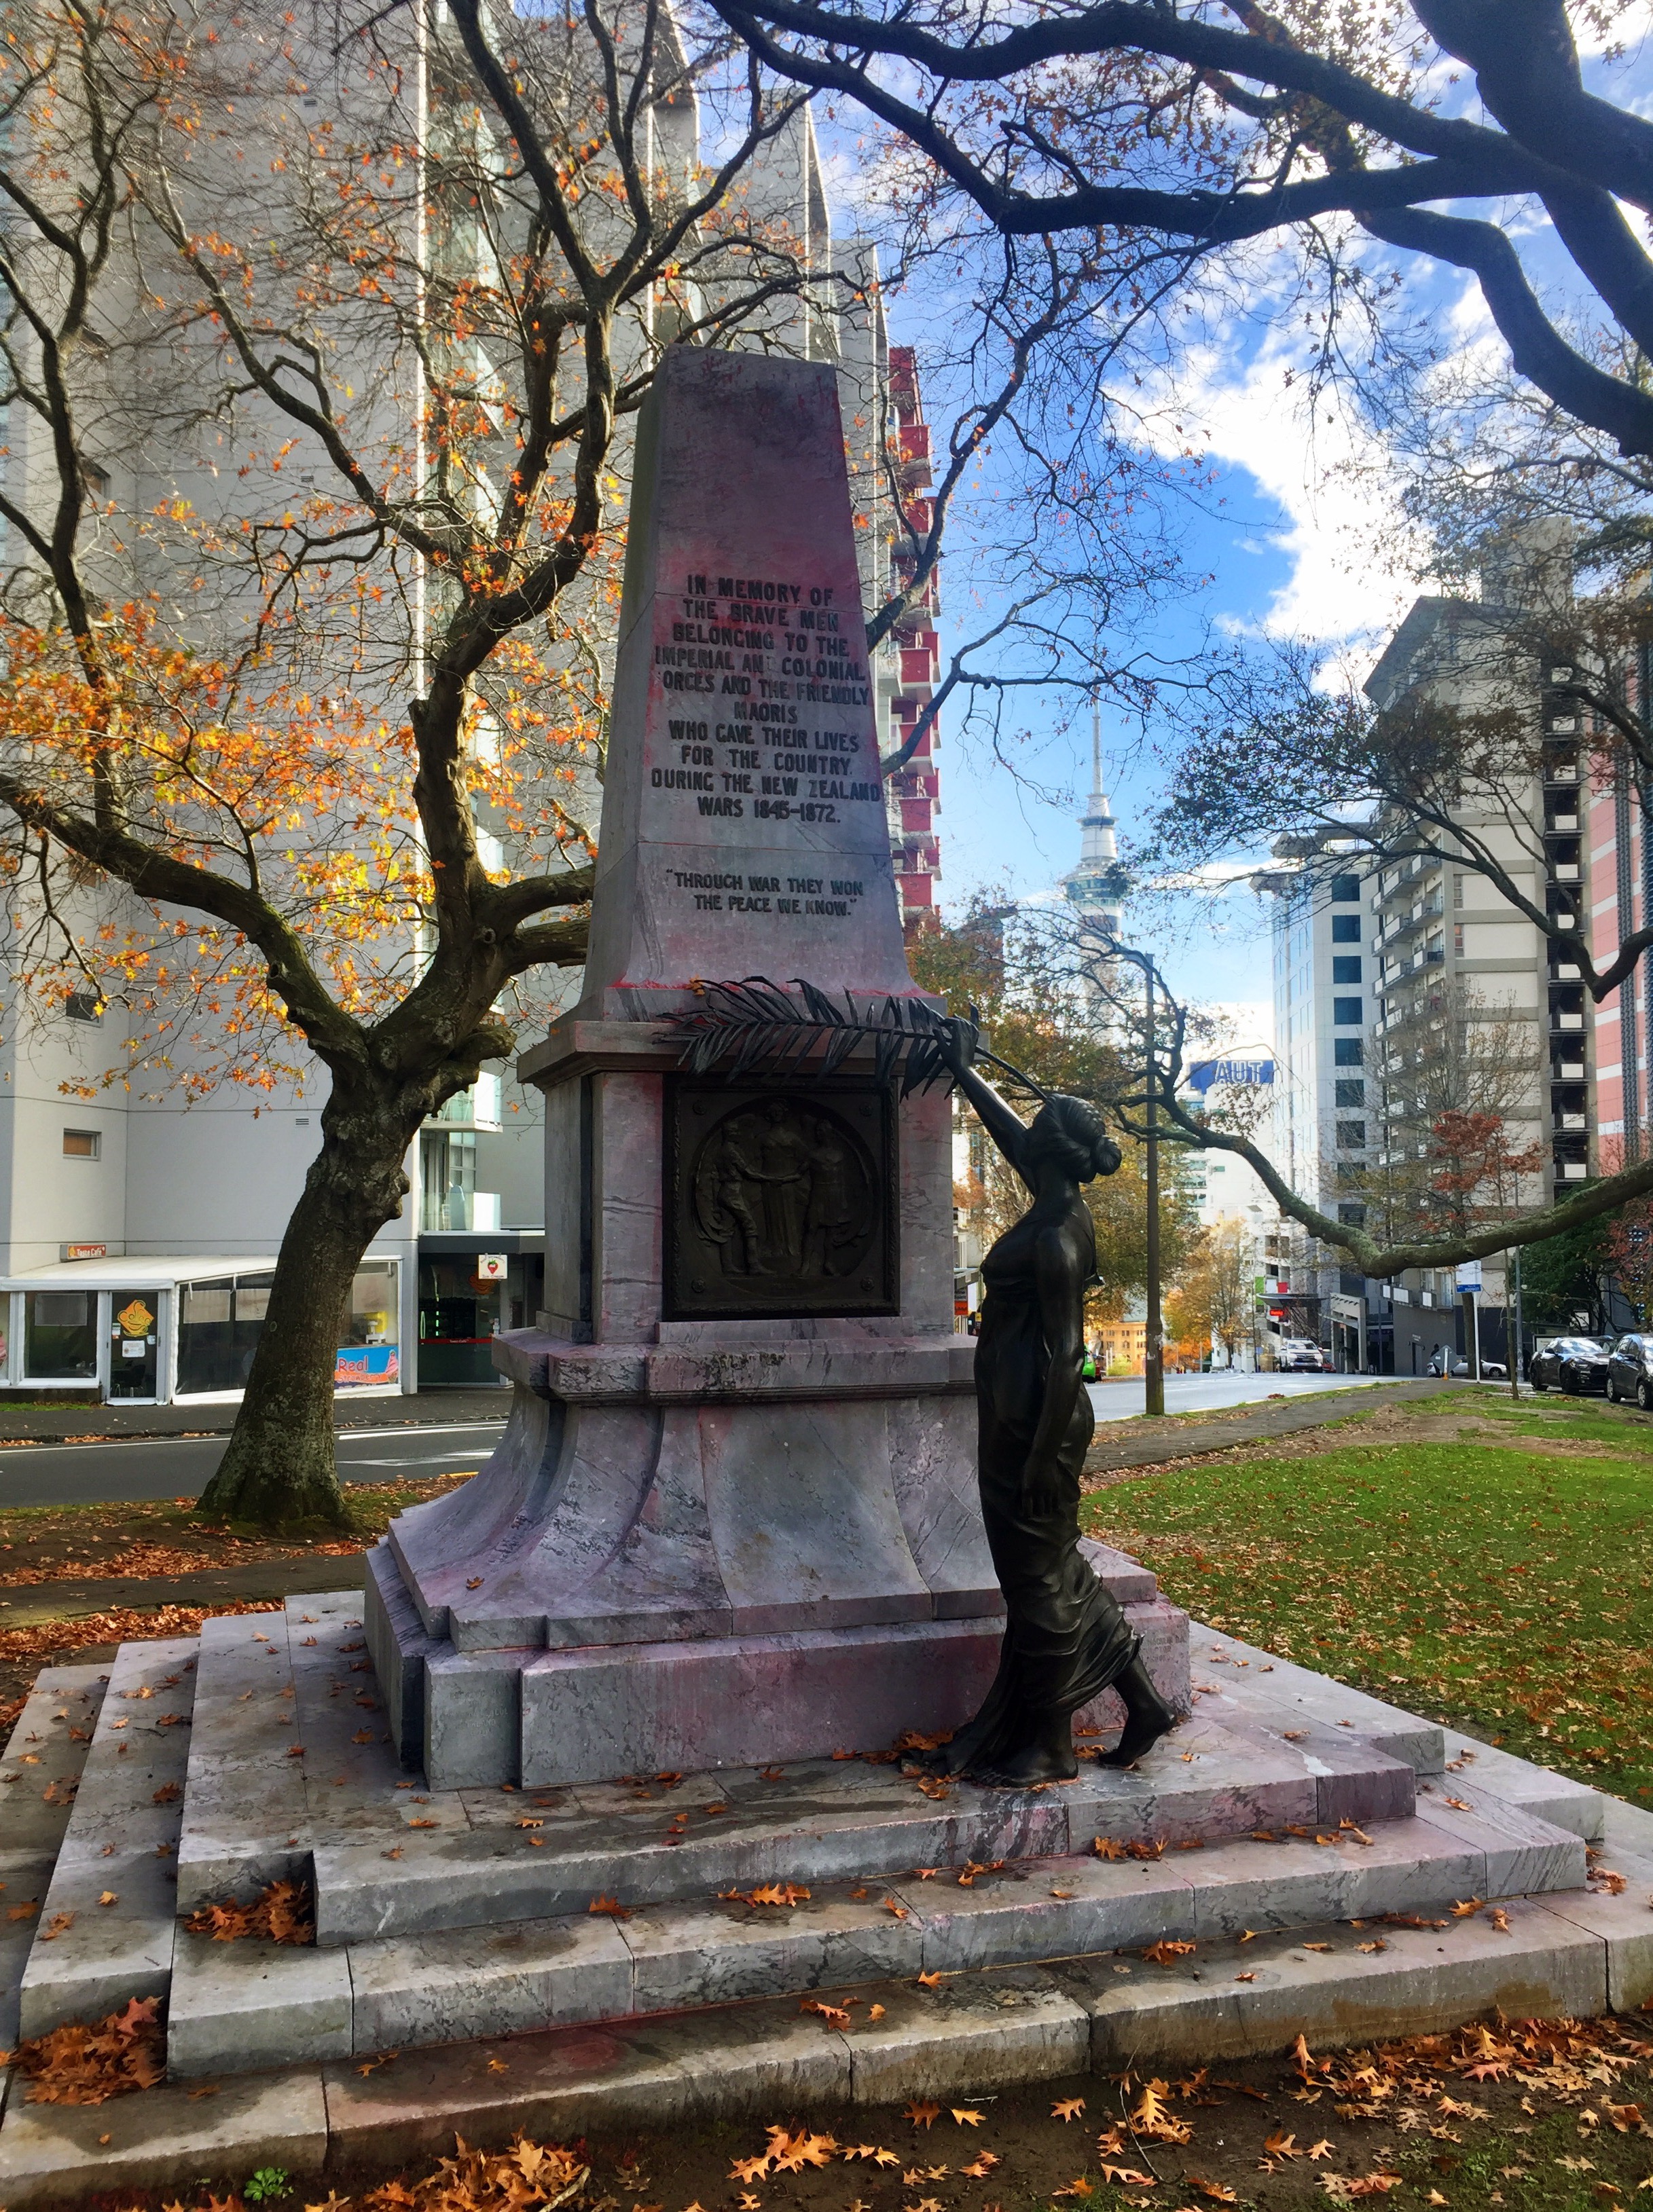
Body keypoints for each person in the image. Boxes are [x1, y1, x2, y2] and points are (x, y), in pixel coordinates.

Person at [919, 1028, 1180, 1787]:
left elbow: (1068, 1356)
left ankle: (1052, 1745)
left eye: (1035, 1134)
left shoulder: (1058, 1237)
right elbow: (1012, 1136)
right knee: (1053, 1567)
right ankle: (1144, 1704)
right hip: (1017, 1409)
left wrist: (1037, 1458)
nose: (1021, 1140)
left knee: (1035, 1583)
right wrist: (964, 1070)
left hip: (1036, 1419)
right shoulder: (1052, 1200)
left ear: (1052, 1152)